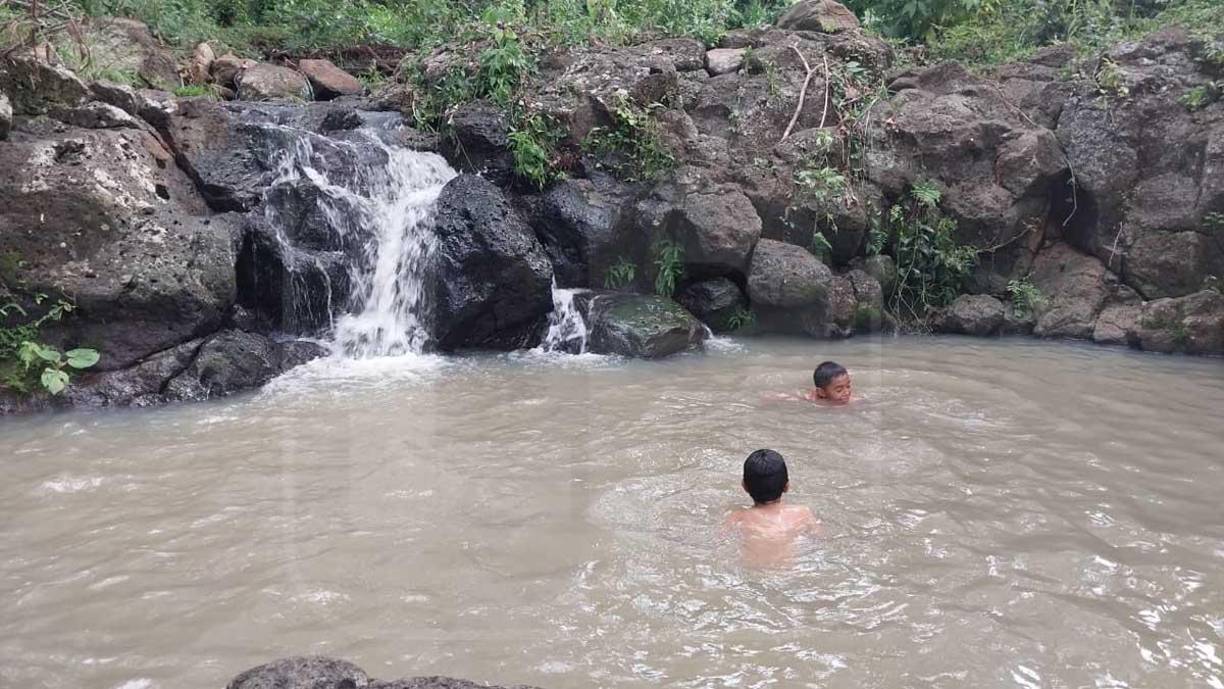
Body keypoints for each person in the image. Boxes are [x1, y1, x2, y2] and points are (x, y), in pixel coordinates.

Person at [723, 449, 820, 566]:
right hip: (790, 571)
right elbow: (820, 541)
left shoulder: (736, 517)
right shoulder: (803, 513)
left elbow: (720, 543)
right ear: (787, 486)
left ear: (744, 486)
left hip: (753, 572)